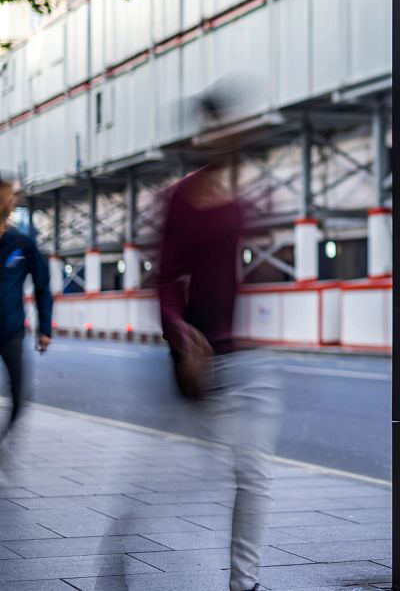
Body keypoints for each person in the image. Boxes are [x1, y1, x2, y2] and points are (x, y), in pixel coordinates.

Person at [158, 91, 280, 591]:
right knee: (186, 480)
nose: (227, 134)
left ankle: (243, 584)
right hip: (201, 361)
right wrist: (182, 341)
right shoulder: (181, 200)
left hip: (247, 359)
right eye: (217, 126)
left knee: (253, 475)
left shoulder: (246, 200)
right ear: (203, 136)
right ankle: (129, 546)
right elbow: (166, 279)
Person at [0, 178, 52, 444]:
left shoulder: (22, 244)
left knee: (19, 396)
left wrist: (45, 329)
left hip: (11, 331)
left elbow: (42, 286)